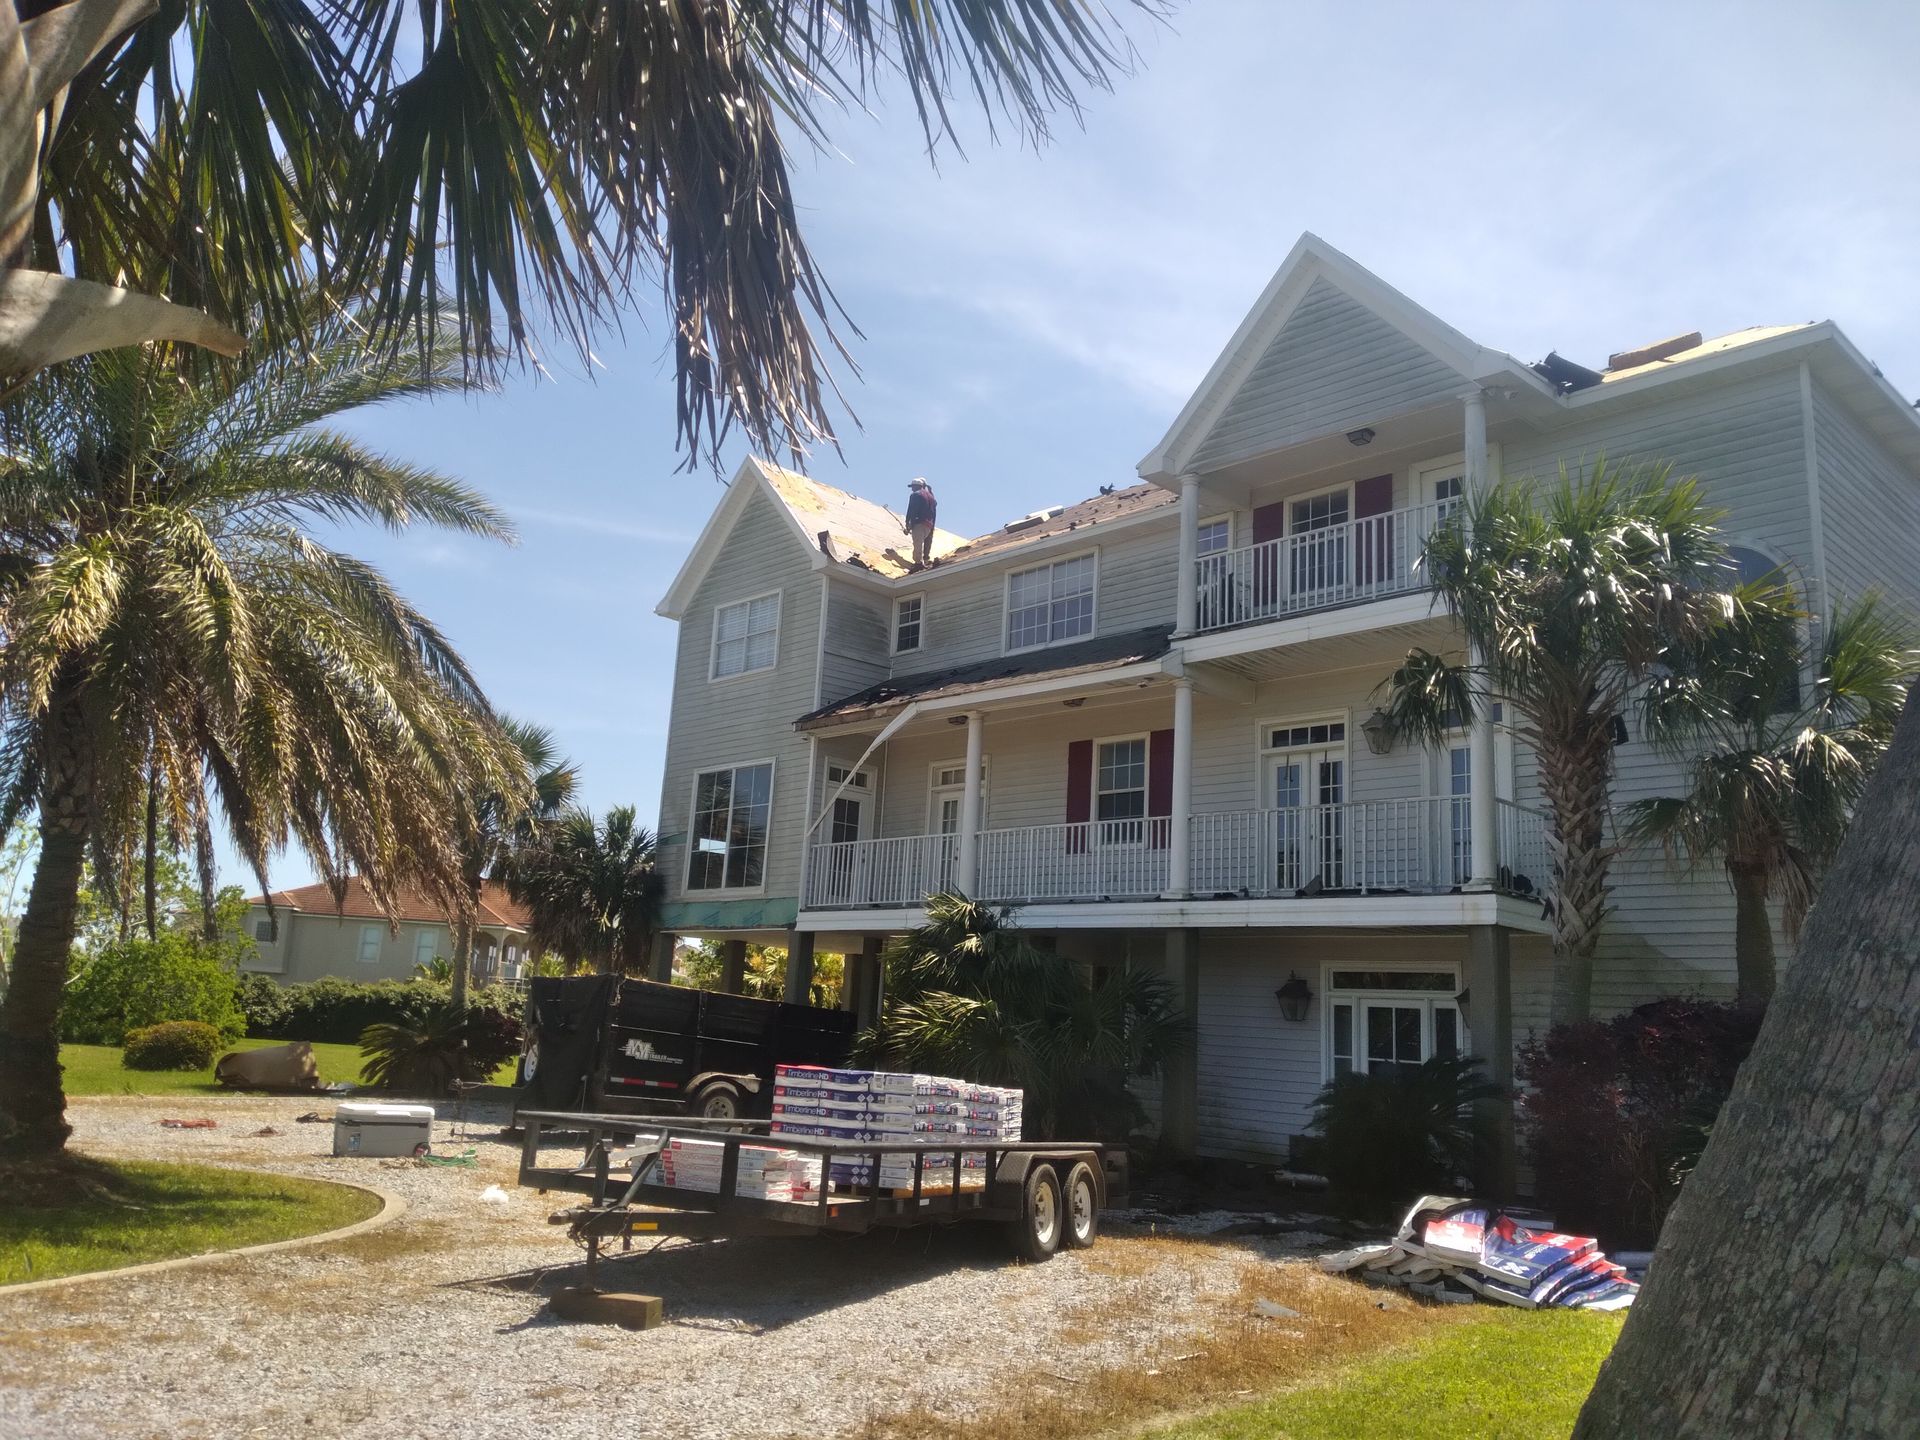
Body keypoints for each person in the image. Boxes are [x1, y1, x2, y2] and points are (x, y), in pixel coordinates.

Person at [904, 478, 938, 567]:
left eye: (912, 487)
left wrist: (908, 523)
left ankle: (918, 563)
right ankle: (925, 559)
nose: (912, 489)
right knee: (923, 542)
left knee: (917, 543)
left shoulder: (915, 495)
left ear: (916, 486)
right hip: (929, 525)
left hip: (919, 523)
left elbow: (912, 510)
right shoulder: (931, 497)